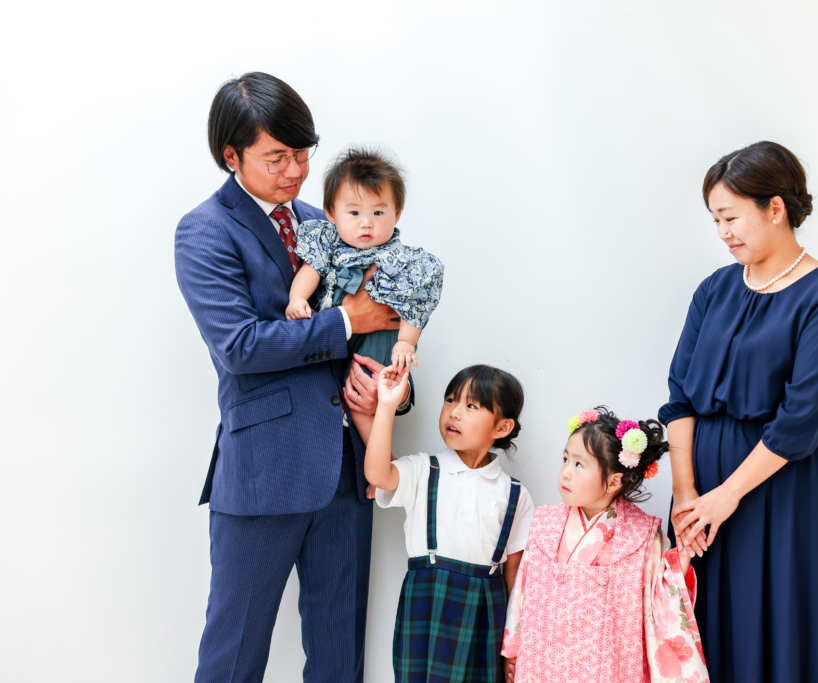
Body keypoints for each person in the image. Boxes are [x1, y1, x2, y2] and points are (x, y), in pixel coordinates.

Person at [174, 72, 412, 683]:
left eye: (303, 154)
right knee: (233, 658)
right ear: (231, 156)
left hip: (347, 467)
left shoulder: (332, 219)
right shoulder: (205, 230)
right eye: (276, 157)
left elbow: (385, 320)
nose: (296, 171)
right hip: (263, 472)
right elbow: (239, 346)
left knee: (339, 656)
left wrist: (390, 389)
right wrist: (345, 319)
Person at [663, 141, 818, 682]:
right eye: (716, 220)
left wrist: (726, 497)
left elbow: (800, 419)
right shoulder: (715, 288)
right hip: (700, 497)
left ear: (775, 208)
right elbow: (679, 396)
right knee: (698, 636)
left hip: (779, 492)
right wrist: (687, 495)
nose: (723, 232)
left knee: (777, 628)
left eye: (731, 217)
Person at [502, 407, 709, 683]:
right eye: (565, 459)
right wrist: (513, 651)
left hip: (610, 662)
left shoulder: (641, 534)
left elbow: (661, 592)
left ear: (614, 481)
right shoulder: (544, 524)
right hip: (544, 657)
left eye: (579, 464)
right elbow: (522, 593)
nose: (565, 473)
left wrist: (682, 557)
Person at [365, 364, 536, 683]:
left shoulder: (514, 493)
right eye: (450, 400)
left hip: (485, 611)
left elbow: (516, 575)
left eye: (471, 405)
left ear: (502, 427)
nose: (454, 412)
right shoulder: (423, 469)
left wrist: (514, 646)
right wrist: (386, 406)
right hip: (426, 602)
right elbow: (377, 474)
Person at [288, 147, 443, 445]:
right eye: (354, 213)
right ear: (331, 213)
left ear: (397, 214)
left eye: (378, 213)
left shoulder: (404, 260)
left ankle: (379, 460)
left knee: (363, 390)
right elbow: (310, 271)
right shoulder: (325, 240)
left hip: (379, 337)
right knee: (346, 385)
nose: (367, 223)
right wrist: (298, 299)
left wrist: (406, 342)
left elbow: (414, 304)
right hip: (332, 332)